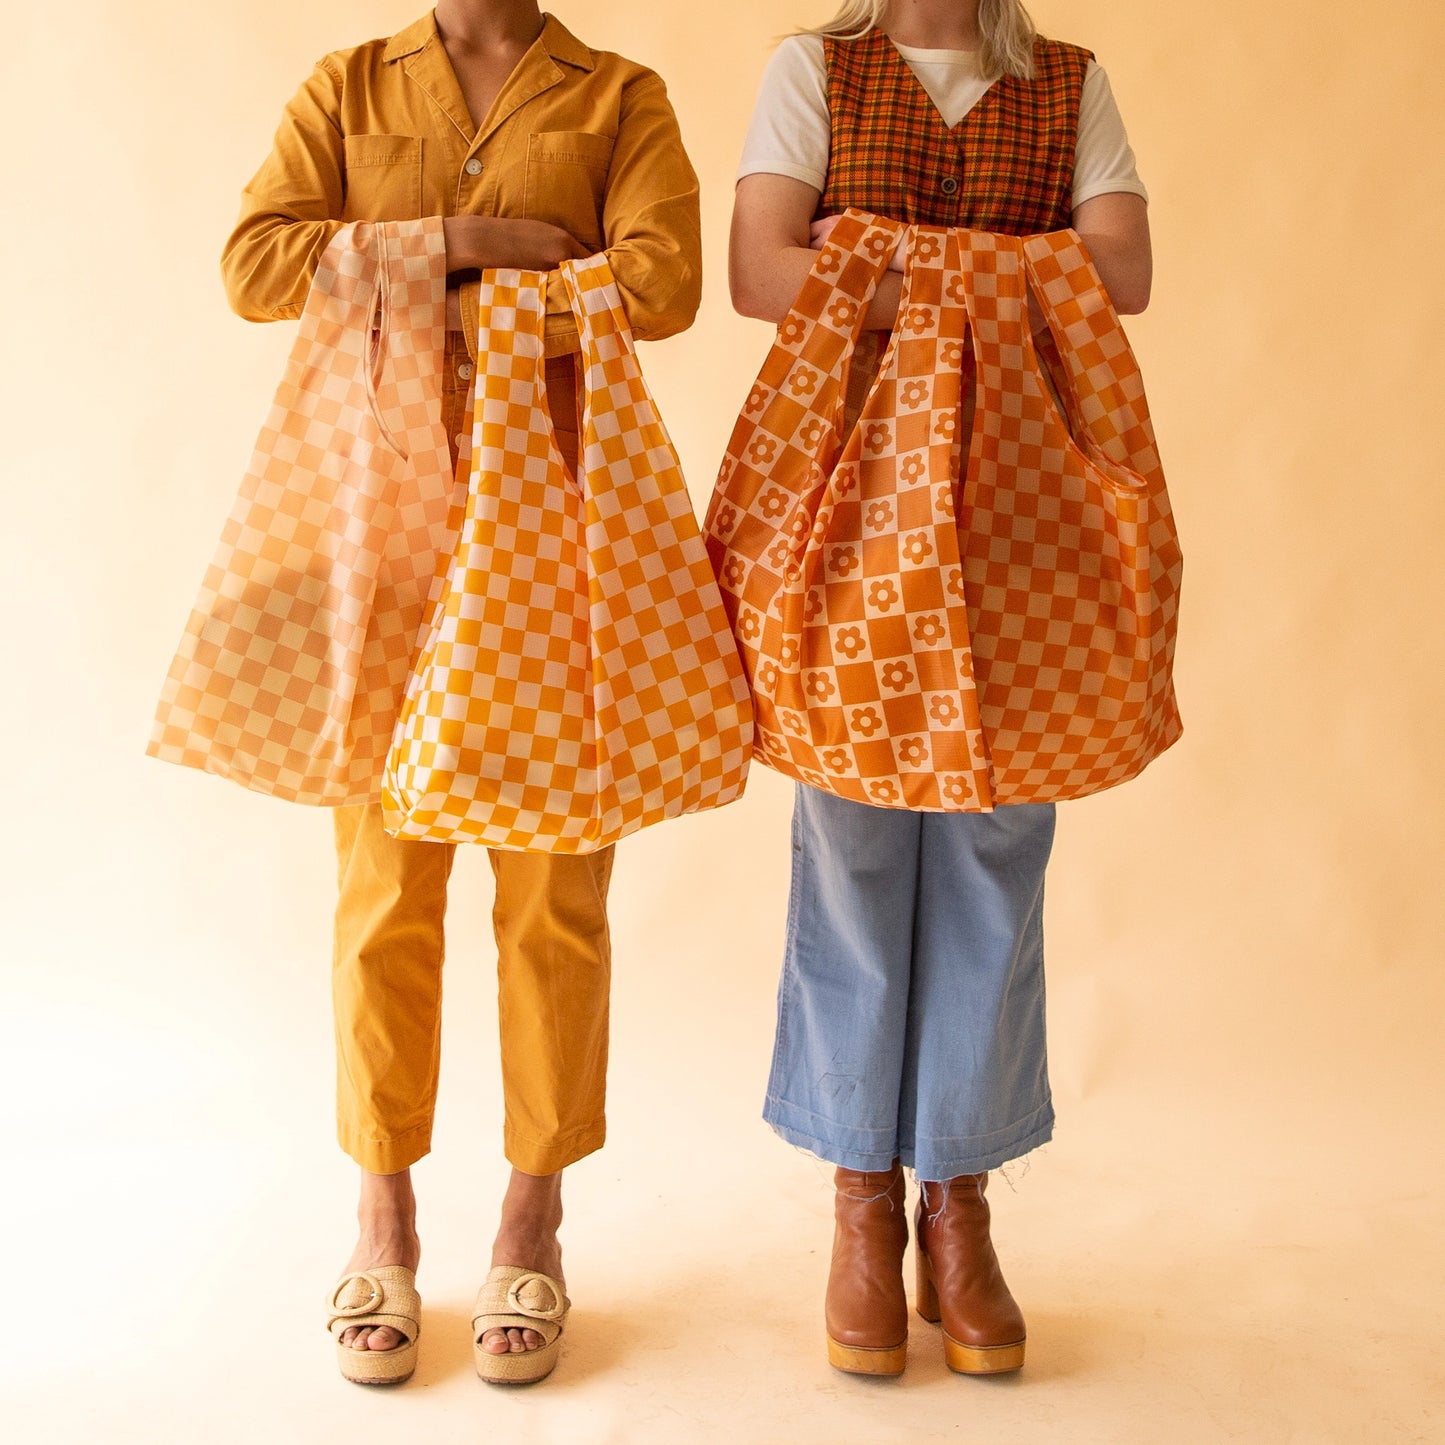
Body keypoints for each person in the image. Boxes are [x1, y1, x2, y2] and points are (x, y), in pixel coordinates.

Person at [221, 0, 701, 1386]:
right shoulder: (349, 84)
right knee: (383, 881)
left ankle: (533, 1212)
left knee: (554, 886)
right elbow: (254, 263)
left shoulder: (614, 94)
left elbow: (663, 282)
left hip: (553, 527)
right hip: (379, 525)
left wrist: (387, 271)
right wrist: (466, 246)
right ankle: (382, 1206)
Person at [728, 0, 1152, 1377]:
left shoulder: (1068, 84)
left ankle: (954, 1200)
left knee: (994, 837)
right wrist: (1013, 271)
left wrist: (871, 257)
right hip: (846, 499)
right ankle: (860, 1196)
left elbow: (1127, 268)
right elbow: (754, 268)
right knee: (851, 836)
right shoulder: (817, 71)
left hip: (1024, 505)